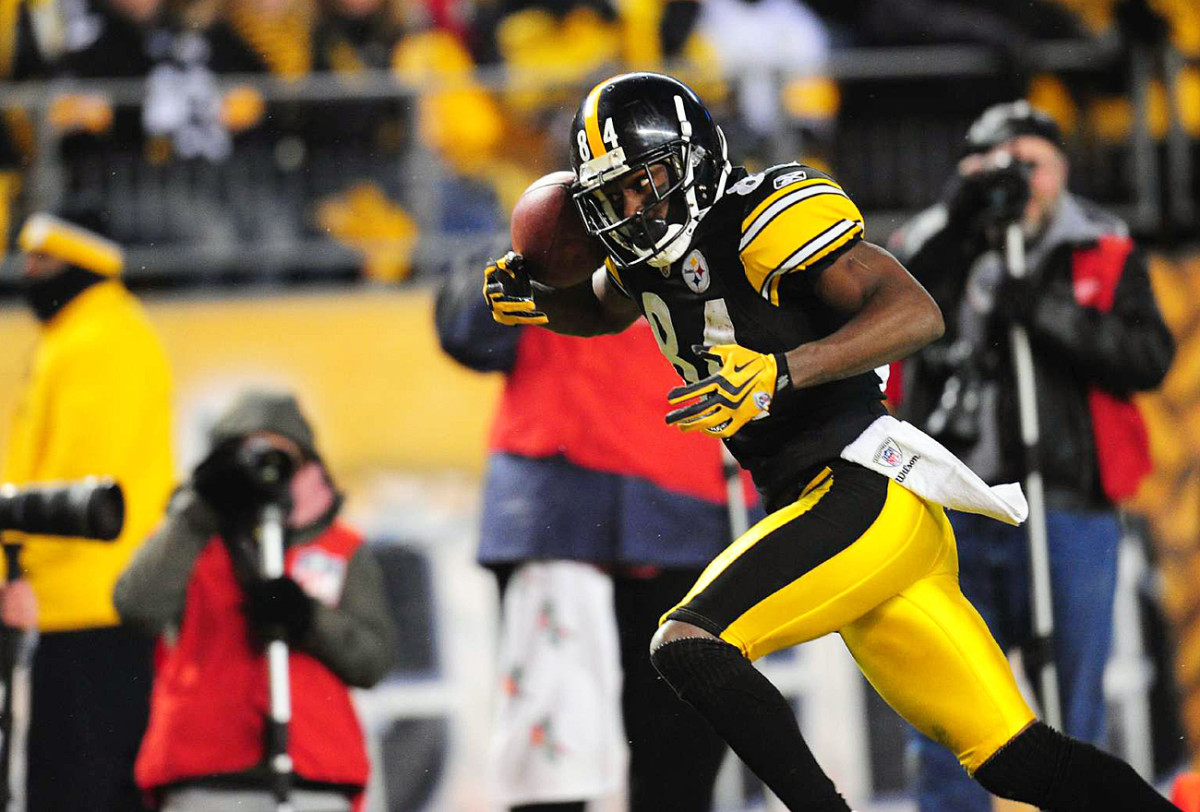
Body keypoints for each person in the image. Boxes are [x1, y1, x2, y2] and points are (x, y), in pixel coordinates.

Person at [481, 71, 1180, 811]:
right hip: (838, 506)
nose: (631, 208)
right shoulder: (643, 262)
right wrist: (539, 305)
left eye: (645, 181)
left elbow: (916, 311)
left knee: (689, 642)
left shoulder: (759, 219)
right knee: (1016, 757)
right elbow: (601, 310)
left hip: (859, 486)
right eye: (613, 195)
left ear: (692, 161)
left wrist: (780, 372)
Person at [888, 100, 1175, 812]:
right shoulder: (928, 245)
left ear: (1062, 171)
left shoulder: (1102, 248)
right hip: (952, 512)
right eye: (997, 166)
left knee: (1068, 704)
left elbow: (1147, 358)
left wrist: (1042, 314)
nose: (1018, 182)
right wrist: (962, 222)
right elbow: (894, 333)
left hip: (1066, 507)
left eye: (1032, 166)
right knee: (949, 708)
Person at [436, 258, 732, 811]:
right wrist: (535, 250)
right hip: (557, 519)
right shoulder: (550, 235)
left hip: (681, 518)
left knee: (682, 758)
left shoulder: (715, 240)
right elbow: (464, 334)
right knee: (550, 758)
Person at [114, 389, 396, 812]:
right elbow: (136, 605)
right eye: (251, 455)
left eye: (282, 458)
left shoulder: (341, 547)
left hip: (315, 777)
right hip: (204, 775)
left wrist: (308, 620)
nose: (267, 471)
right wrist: (200, 510)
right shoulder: (188, 537)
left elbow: (375, 660)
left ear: (307, 464)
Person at [1, 208, 174, 811]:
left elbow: (77, 494)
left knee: (79, 789)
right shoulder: (82, 337)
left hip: (93, 605)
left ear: (84, 261)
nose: (28, 272)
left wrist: (16, 566)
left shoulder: (99, 341)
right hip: (83, 603)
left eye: (42, 259)